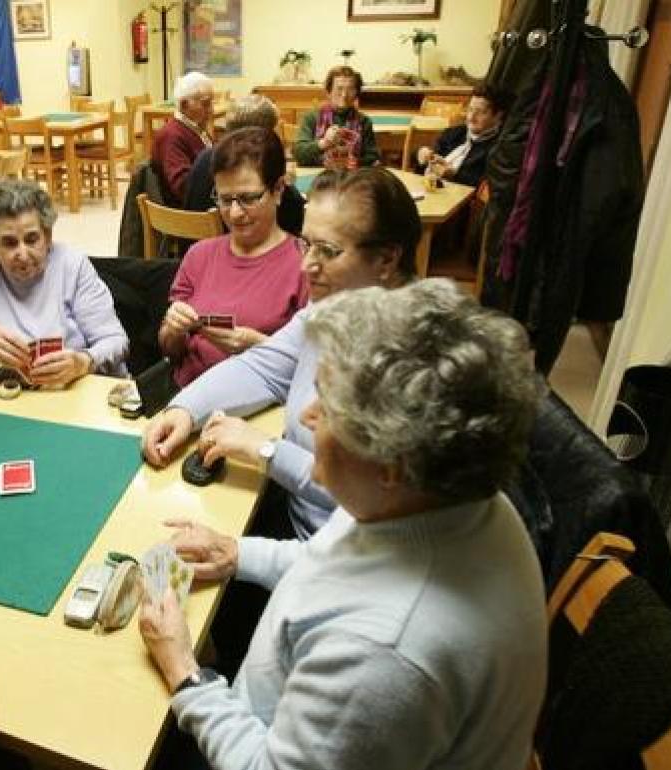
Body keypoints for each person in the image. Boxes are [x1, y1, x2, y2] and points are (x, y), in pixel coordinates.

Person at [139, 279, 547, 769]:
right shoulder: (441, 498)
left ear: (391, 461)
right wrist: (239, 554)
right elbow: (343, 556)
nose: (307, 416)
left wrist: (187, 675)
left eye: (330, 407)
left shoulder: (385, 655)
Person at [146, 167, 418, 537]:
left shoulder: (414, 363)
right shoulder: (331, 306)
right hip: (293, 517)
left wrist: (265, 450)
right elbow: (262, 368)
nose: (307, 265)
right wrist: (184, 410)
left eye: (328, 251)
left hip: (335, 555)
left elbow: (361, 498)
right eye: (307, 244)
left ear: (387, 260)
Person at [0, 178, 129, 385]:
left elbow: (115, 340)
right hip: (10, 395)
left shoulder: (72, 265)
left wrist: (84, 362)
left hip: (73, 389)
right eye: (9, 243)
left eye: (32, 239)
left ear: (48, 236)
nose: (22, 254)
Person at [160, 127, 308, 388]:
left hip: (259, 403)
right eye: (225, 200)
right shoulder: (199, 255)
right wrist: (173, 330)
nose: (236, 213)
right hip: (185, 394)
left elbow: (313, 368)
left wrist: (257, 345)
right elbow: (171, 351)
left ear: (278, 190)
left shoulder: (305, 264)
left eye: (249, 198)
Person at [183, 94, 306, 237]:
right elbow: (294, 215)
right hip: (238, 250)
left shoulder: (204, 156)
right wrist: (287, 184)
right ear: (264, 134)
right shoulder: (259, 163)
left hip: (191, 244)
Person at [416, 85, 514, 187]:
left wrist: (454, 175)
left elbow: (488, 187)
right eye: (470, 109)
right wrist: (423, 157)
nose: (471, 117)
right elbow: (423, 170)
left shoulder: (501, 149)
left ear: (498, 116)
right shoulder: (452, 133)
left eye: (480, 112)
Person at [293, 65, 379, 169]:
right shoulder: (311, 117)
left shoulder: (364, 121)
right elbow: (298, 153)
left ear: (356, 93)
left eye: (350, 89)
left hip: (352, 177)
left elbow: (373, 156)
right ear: (329, 92)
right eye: (339, 89)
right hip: (318, 176)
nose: (344, 95)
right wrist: (324, 143)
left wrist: (357, 162)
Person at [153, 71, 215, 207]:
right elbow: (183, 187)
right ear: (184, 105)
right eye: (206, 104)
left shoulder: (196, 129)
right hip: (188, 214)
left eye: (211, 103)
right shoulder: (171, 135)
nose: (212, 110)